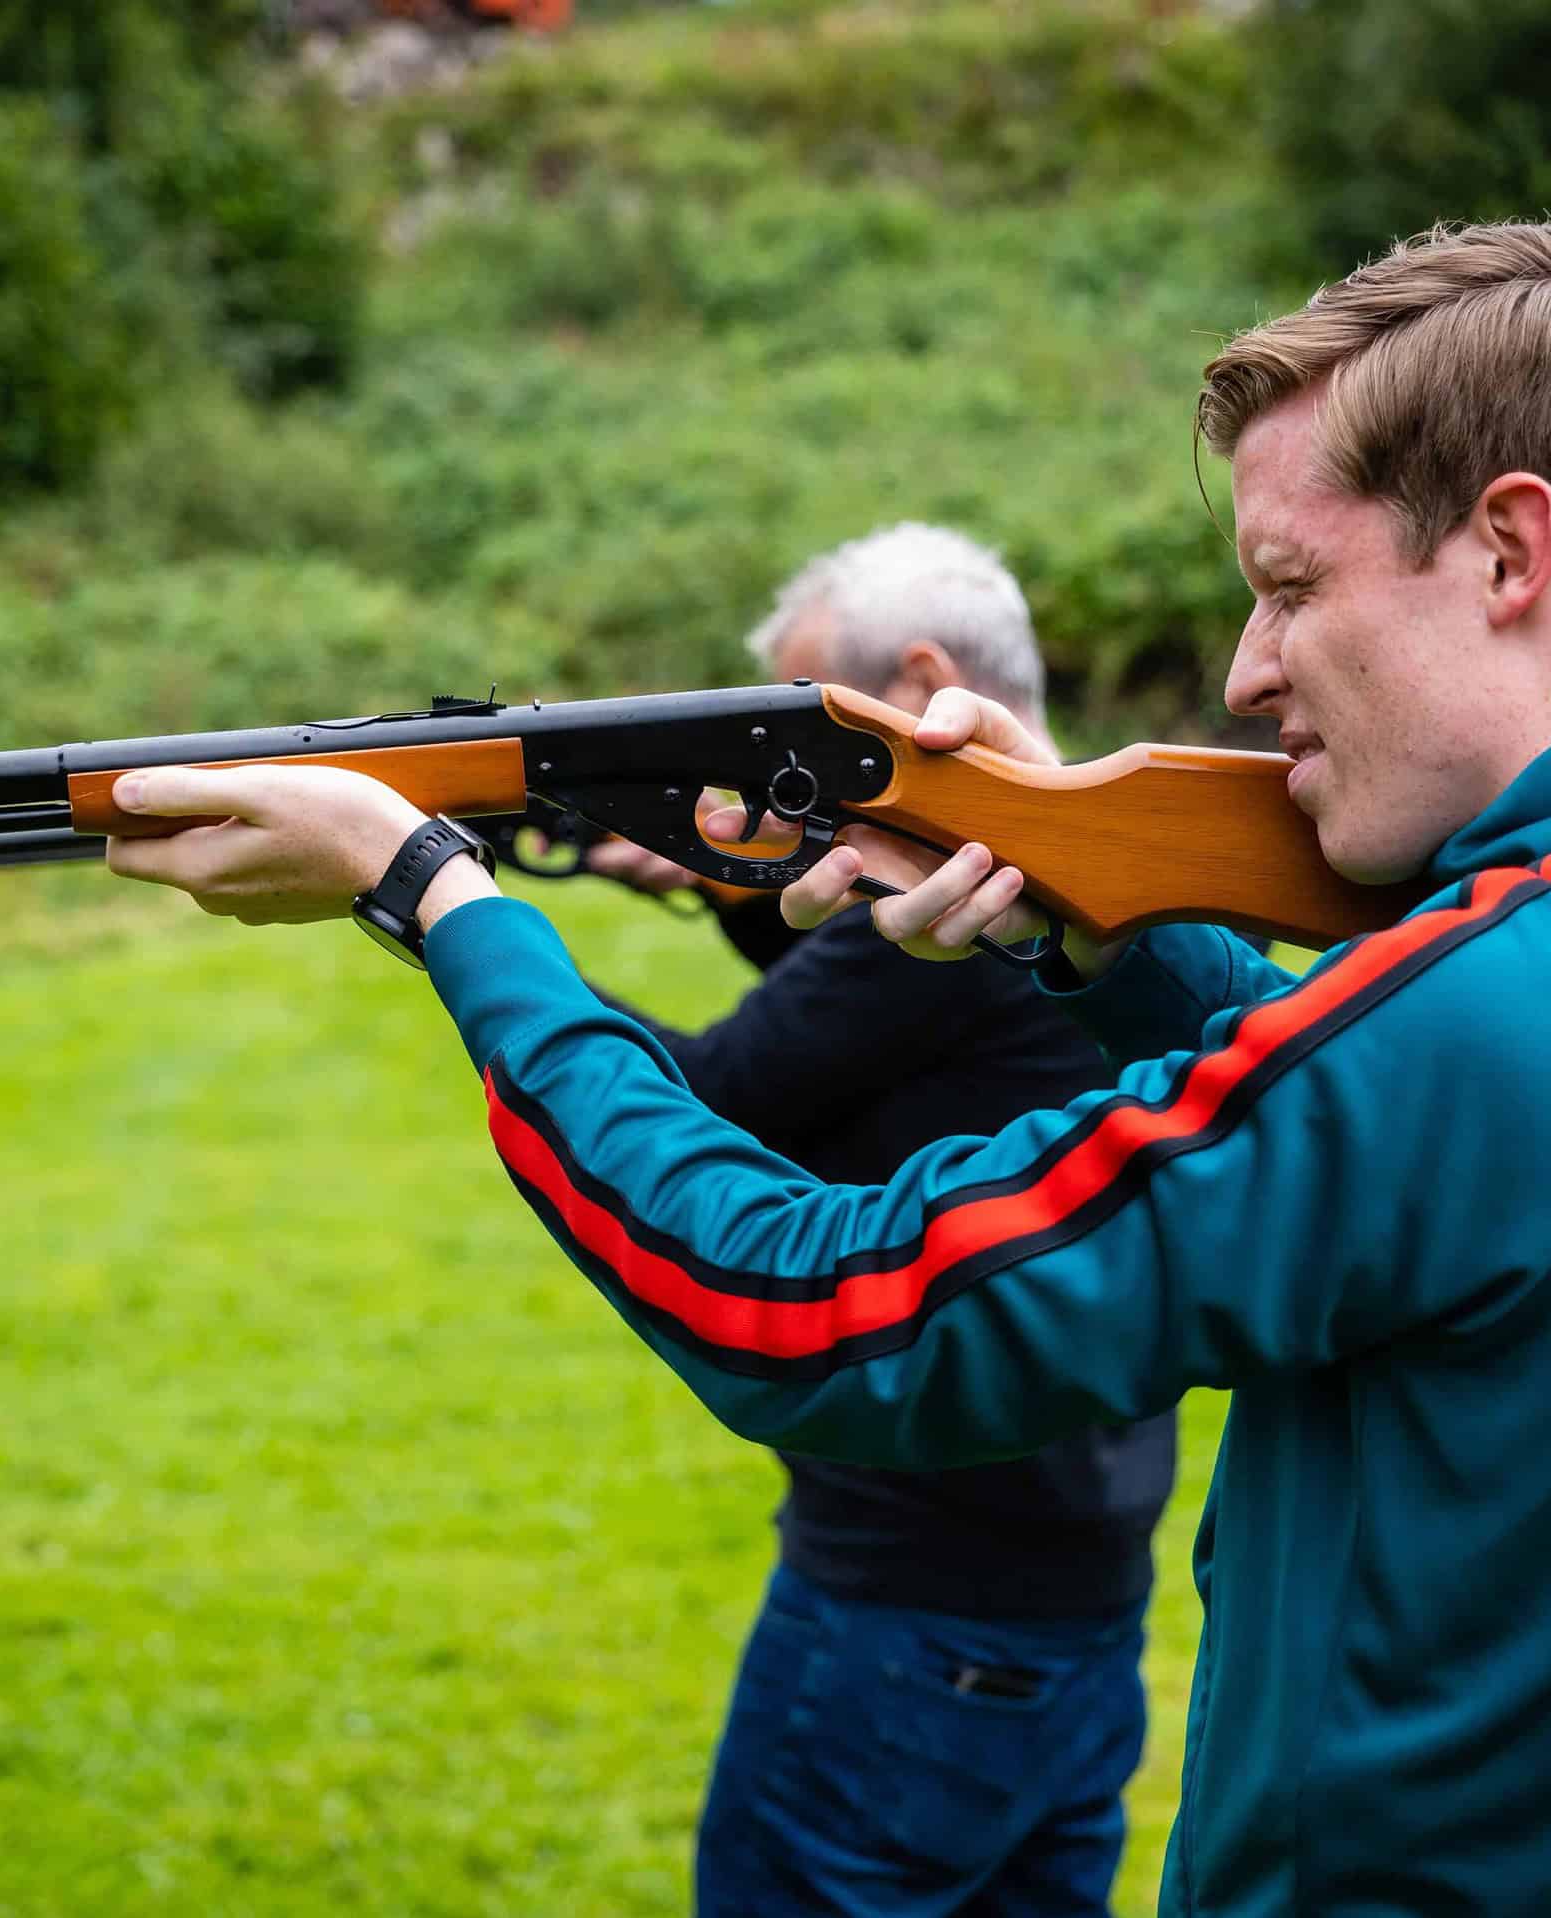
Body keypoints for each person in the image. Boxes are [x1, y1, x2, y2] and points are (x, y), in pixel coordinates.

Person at [101, 222, 1551, 1915]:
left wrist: (440, 898)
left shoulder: (1508, 1004)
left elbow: (826, 1316)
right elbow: (1438, 1168)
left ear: (1511, 548)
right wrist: (1084, 927)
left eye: (1290, 583)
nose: (1252, 672)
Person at [573, 523, 1176, 1918]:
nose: (789, 797)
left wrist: (460, 925)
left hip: (910, 1603)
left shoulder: (979, 901)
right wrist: (727, 892)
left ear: (917, 680)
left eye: (806, 738)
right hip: (1080, 1590)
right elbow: (870, 1032)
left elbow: (721, 1095)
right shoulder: (1100, 877)